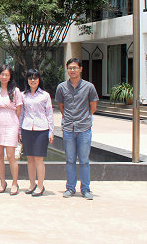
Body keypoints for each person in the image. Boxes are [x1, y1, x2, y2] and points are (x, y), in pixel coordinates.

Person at [55, 58, 98, 200]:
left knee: (84, 160)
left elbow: (93, 107)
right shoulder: (61, 87)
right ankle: (70, 188)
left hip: (84, 128)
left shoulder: (89, 87)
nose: (72, 70)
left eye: (75, 68)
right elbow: (61, 106)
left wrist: (83, 118)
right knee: (70, 160)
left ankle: (85, 189)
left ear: (80, 69)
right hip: (68, 128)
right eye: (70, 68)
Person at [20, 69, 54, 197]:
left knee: (39, 159)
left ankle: (40, 186)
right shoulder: (23, 95)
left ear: (39, 80)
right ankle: (32, 184)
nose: (33, 80)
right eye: (30, 78)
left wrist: (51, 131)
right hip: (27, 128)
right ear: (27, 80)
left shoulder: (45, 95)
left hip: (41, 129)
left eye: (35, 78)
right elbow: (21, 114)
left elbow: (49, 114)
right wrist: (19, 130)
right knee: (30, 159)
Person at [0, 65, 23, 195]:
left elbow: (19, 111)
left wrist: (17, 126)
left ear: (10, 77)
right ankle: (2, 182)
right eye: (2, 74)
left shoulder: (15, 91)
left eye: (7, 75)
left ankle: (15, 183)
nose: (4, 77)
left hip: (11, 124)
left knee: (10, 156)